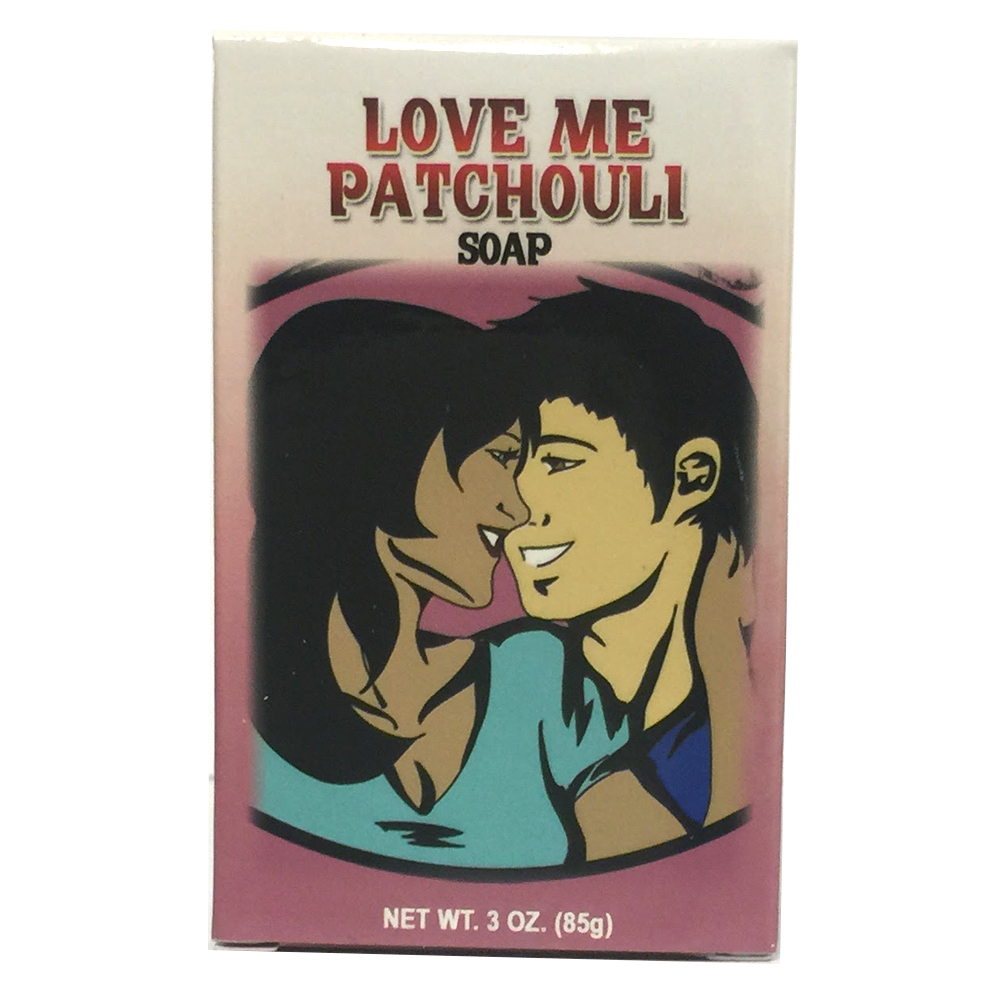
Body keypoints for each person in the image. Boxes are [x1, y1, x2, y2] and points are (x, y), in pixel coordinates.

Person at [250, 298, 629, 870]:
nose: (519, 509)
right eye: (501, 457)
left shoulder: (540, 676)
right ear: (384, 451)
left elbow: (677, 878)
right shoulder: (240, 703)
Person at [494, 281, 757, 859]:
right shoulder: (508, 694)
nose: (514, 502)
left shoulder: (742, 730)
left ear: (691, 476)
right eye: (508, 459)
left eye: (558, 461)